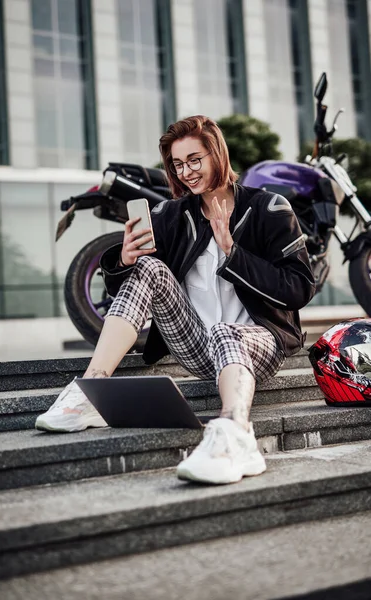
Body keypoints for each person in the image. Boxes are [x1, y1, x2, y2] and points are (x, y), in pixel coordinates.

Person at [36, 115, 316, 485]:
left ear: (217, 154)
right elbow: (128, 291)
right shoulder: (169, 215)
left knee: (225, 332)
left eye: (194, 160)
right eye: (178, 164)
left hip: (257, 343)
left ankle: (235, 433)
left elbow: (299, 288)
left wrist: (232, 252)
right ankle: (90, 390)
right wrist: (124, 260)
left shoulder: (269, 209)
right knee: (149, 269)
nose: (186, 172)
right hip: (196, 344)